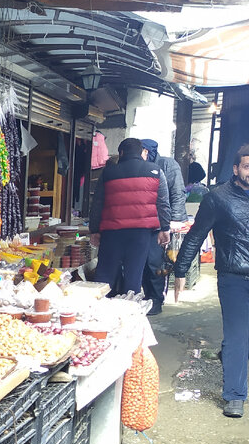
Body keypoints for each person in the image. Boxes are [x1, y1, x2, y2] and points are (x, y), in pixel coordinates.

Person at [173, 143, 249, 419]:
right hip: (233, 276)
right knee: (238, 333)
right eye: (247, 166)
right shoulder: (218, 198)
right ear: (236, 168)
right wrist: (180, 271)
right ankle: (235, 395)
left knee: (241, 338)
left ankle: (230, 358)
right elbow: (195, 236)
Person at [90, 138, 170, 299]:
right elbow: (163, 203)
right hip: (141, 233)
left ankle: (98, 314)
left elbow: (98, 203)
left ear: (121, 153)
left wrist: (94, 230)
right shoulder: (155, 171)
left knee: (104, 276)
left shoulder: (108, 173)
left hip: (112, 233)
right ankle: (130, 313)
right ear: (142, 152)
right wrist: (165, 228)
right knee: (134, 276)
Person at [139, 138, 187, 315]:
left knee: (156, 263)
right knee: (144, 263)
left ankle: (157, 299)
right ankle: (149, 297)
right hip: (144, 223)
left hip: (162, 225)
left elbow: (177, 192)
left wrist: (174, 220)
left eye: (144, 151)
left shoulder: (167, 164)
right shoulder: (140, 167)